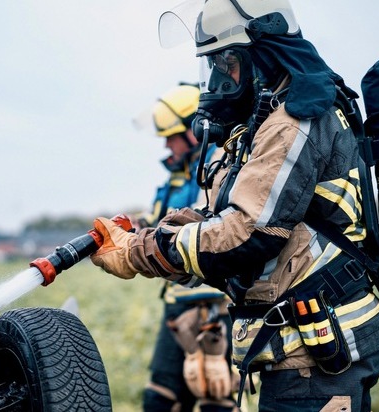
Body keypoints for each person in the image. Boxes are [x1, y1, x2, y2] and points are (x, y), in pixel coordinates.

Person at [91, 1, 379, 411]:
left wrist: (135, 252)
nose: (219, 79)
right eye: (213, 65)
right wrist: (142, 241)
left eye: (228, 62)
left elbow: (247, 233)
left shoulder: (293, 122)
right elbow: (220, 218)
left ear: (263, 58)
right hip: (302, 356)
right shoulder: (269, 121)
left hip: (313, 363)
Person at [133, 83, 237, 412]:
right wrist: (129, 232)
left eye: (171, 136)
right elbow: (153, 223)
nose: (167, 145)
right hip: (176, 307)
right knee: (160, 399)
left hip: (215, 307)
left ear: (195, 131)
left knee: (215, 396)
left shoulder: (221, 167)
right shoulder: (175, 178)